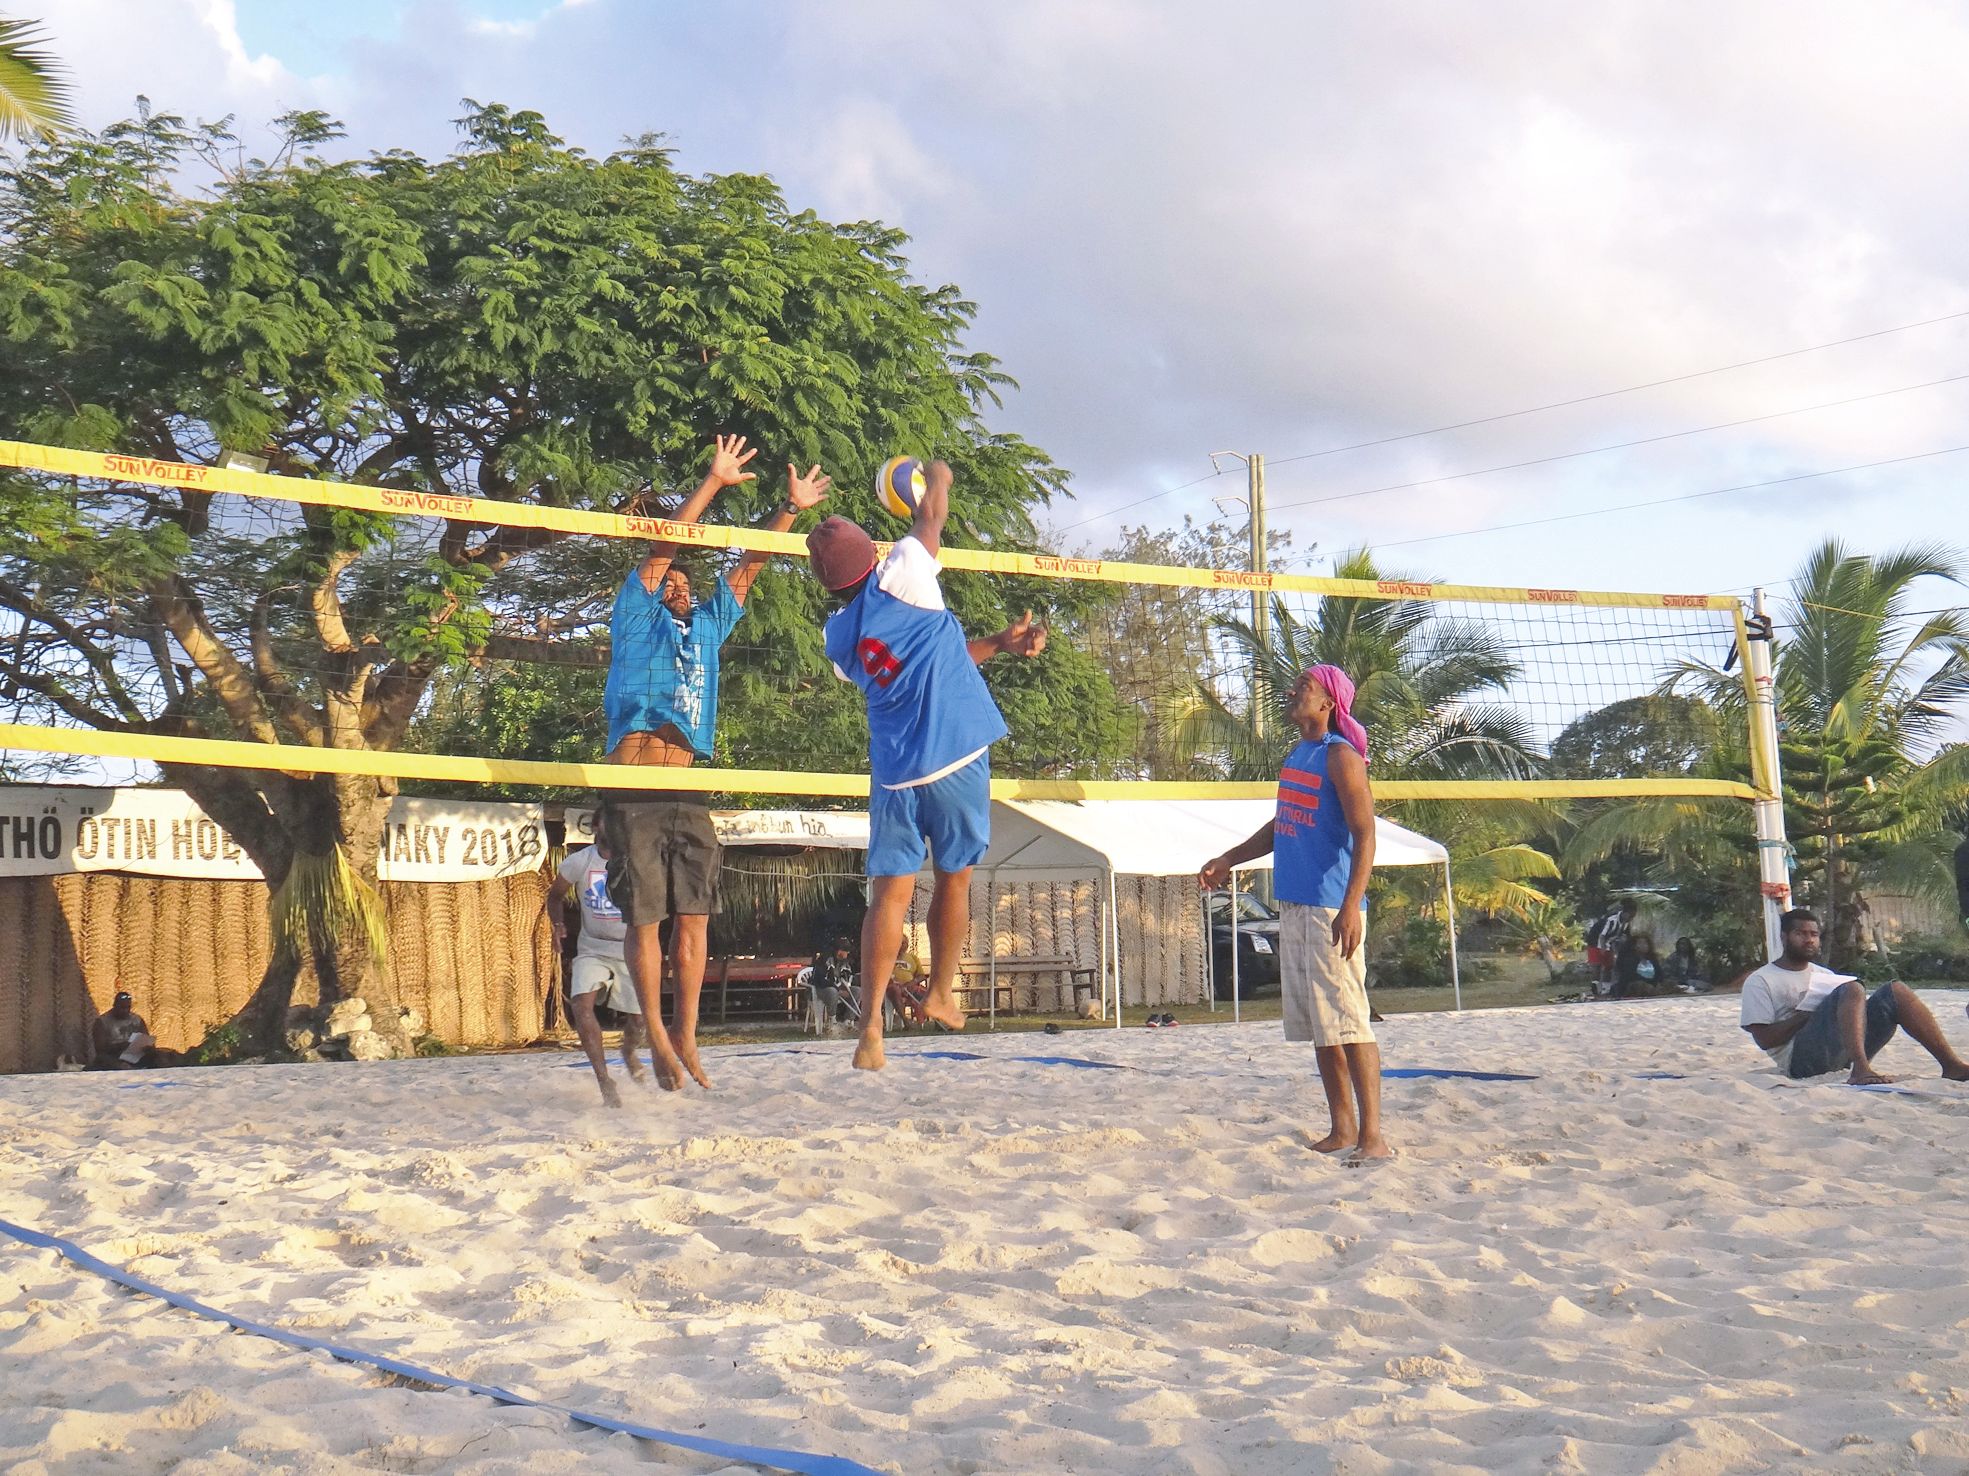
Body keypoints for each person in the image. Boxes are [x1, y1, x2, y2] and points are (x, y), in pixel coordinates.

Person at [602, 435, 831, 1090]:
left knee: (696, 920)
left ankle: (687, 1036)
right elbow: (666, 544)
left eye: (681, 583)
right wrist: (712, 481)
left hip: (688, 785)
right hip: (635, 778)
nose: (676, 583)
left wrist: (789, 511)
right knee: (646, 920)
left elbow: (748, 567)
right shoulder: (635, 615)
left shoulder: (704, 626)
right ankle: (653, 1034)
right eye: (668, 580)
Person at [805, 459, 1047, 1071]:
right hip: (957, 752)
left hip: (896, 772)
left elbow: (930, 660)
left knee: (888, 899)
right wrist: (935, 473)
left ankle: (869, 1033)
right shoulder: (904, 570)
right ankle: (940, 992)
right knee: (956, 876)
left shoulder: (837, 639)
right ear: (872, 555)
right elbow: (932, 513)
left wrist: (996, 644)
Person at [1199, 665, 1389, 1162]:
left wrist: (1351, 906)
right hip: (1296, 903)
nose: (1293, 691)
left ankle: (1374, 1138)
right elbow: (1281, 823)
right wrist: (1229, 858)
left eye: (1304, 686)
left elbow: (1366, 834)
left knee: (1351, 1023)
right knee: (1321, 1026)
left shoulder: (1342, 757)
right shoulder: (1299, 755)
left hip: (1331, 906)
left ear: (1329, 703)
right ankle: (1342, 1128)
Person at [1739, 907, 1969, 1085]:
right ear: (1784, 936)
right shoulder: (1761, 980)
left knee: (1896, 991)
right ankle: (1861, 1069)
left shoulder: (1823, 975)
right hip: (1800, 1061)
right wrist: (1804, 1016)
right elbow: (1764, 1040)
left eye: (1814, 934)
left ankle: (1952, 1065)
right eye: (1800, 933)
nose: (1809, 940)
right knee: (1852, 988)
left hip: (1840, 1052)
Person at [548, 812, 650, 1108]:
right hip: (592, 947)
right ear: (596, 826)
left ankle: (628, 1051)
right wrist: (557, 925)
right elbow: (554, 896)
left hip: (629, 947)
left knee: (639, 1018)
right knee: (581, 1004)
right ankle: (604, 1079)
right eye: (608, 821)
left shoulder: (635, 861)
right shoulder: (580, 861)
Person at [90, 990, 155, 1070]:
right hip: (113, 1056)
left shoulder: (137, 1020)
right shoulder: (102, 1022)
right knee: (103, 1059)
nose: (125, 1011)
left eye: (128, 1007)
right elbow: (100, 1049)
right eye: (122, 1007)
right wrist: (122, 1046)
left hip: (135, 1055)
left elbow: (146, 1039)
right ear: (114, 1005)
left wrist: (147, 1046)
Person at [1585, 900, 1637, 997]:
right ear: (1625, 913)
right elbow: (1602, 935)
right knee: (1597, 966)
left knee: (1609, 966)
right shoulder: (1611, 919)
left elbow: (1626, 936)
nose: (1631, 919)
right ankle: (1595, 988)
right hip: (1595, 941)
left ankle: (1606, 989)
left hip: (1608, 942)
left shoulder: (1626, 923)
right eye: (1630, 916)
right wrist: (1603, 949)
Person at [810, 936, 858, 1033]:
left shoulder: (846, 962)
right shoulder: (823, 960)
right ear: (840, 951)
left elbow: (848, 976)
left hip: (838, 988)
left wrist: (847, 985)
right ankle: (832, 1022)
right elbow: (819, 980)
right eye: (846, 951)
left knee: (857, 991)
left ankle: (848, 1021)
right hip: (822, 989)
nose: (848, 953)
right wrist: (838, 989)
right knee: (833, 991)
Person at [1613, 933, 1664, 997]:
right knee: (1641, 985)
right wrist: (1648, 982)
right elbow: (1630, 976)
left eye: (1646, 943)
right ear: (1634, 946)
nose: (1644, 946)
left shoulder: (1652, 959)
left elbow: (1660, 973)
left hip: (1652, 984)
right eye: (1640, 943)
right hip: (1632, 986)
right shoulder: (1629, 959)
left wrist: (1658, 982)